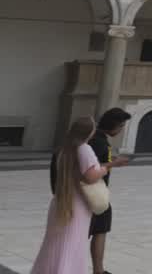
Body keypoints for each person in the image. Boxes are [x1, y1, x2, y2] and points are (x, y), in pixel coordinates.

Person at [31, 116, 110, 274]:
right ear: (89, 132)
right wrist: (104, 169)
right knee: (73, 245)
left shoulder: (63, 150)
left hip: (61, 202)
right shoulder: (84, 149)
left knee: (54, 244)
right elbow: (90, 177)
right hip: (78, 205)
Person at [87, 107, 131, 274]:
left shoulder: (96, 138)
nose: (121, 130)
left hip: (94, 192)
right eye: (121, 126)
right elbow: (90, 168)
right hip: (94, 193)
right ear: (115, 125)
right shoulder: (98, 141)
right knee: (100, 230)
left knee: (98, 229)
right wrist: (114, 163)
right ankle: (98, 271)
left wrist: (111, 159)